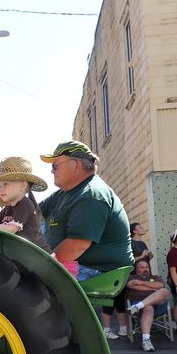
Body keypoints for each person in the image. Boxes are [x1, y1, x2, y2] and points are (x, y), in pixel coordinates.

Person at [38, 140, 134, 339]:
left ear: (77, 165)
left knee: (29, 286)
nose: (51, 171)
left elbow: (77, 245)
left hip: (96, 270)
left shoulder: (91, 195)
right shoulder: (66, 193)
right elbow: (34, 214)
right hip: (81, 264)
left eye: (56, 165)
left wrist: (39, 263)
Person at [0, 157, 51, 251]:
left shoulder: (25, 205)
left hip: (40, 257)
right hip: (22, 255)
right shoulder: (6, 210)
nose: (0, 189)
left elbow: (11, 229)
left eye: (6, 184)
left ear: (23, 185)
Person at [126, 259, 172, 352]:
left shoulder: (155, 277)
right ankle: (146, 340)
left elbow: (160, 285)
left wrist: (142, 283)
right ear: (137, 269)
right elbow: (131, 285)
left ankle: (137, 306)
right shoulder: (131, 277)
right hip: (142, 305)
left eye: (147, 267)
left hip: (158, 305)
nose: (145, 269)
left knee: (164, 291)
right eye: (142, 267)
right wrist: (152, 287)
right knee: (148, 307)